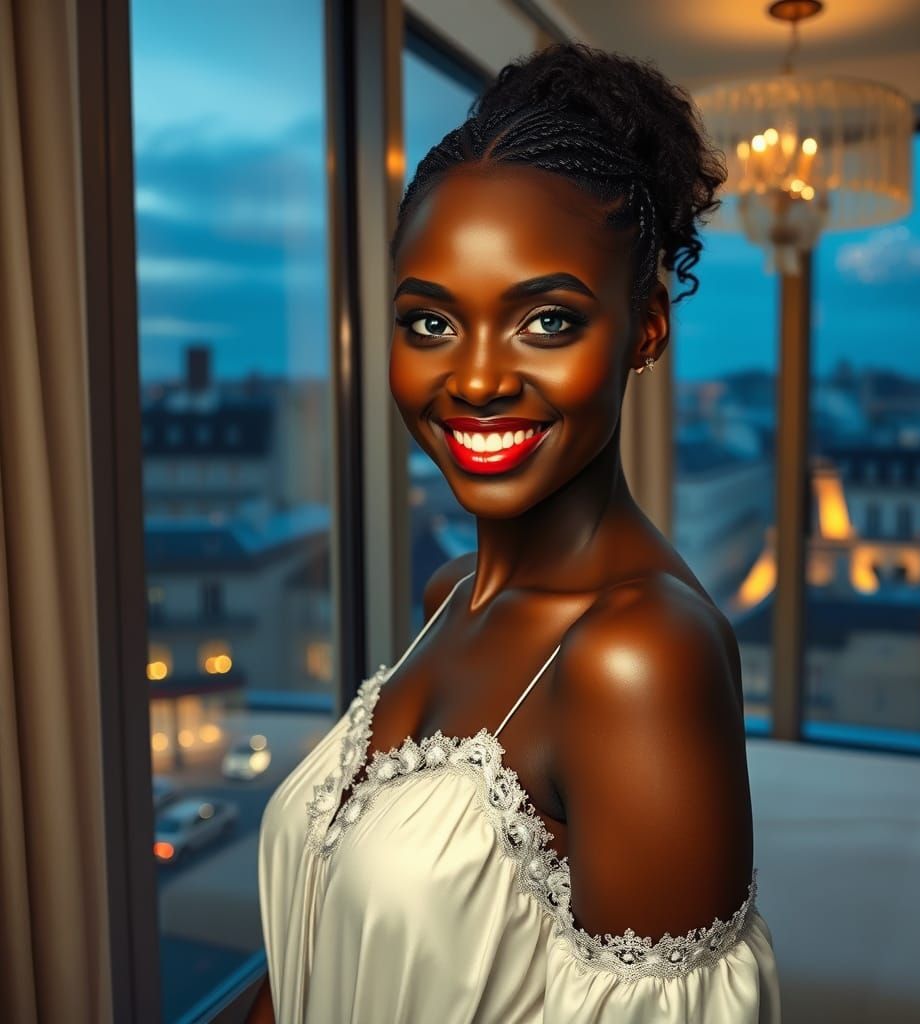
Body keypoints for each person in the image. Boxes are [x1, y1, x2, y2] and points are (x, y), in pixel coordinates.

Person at [252, 41, 781, 1023]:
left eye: (545, 321)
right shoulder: (448, 594)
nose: (480, 378)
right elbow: (318, 946)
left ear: (647, 328)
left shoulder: (639, 657)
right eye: (431, 323)